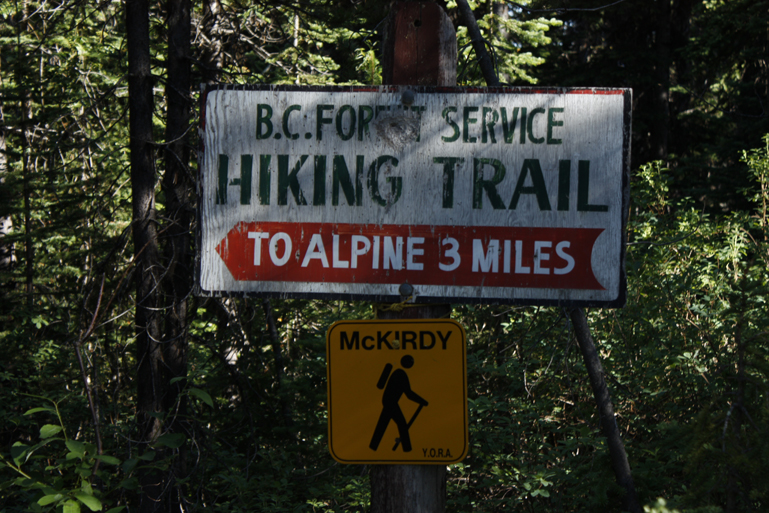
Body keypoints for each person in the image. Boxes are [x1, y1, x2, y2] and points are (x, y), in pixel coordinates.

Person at [369, 355, 428, 452]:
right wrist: (422, 401)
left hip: (388, 401)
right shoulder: (401, 374)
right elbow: (408, 394)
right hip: (391, 402)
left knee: (383, 423)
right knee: (402, 424)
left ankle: (373, 446)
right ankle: (407, 449)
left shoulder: (398, 372)